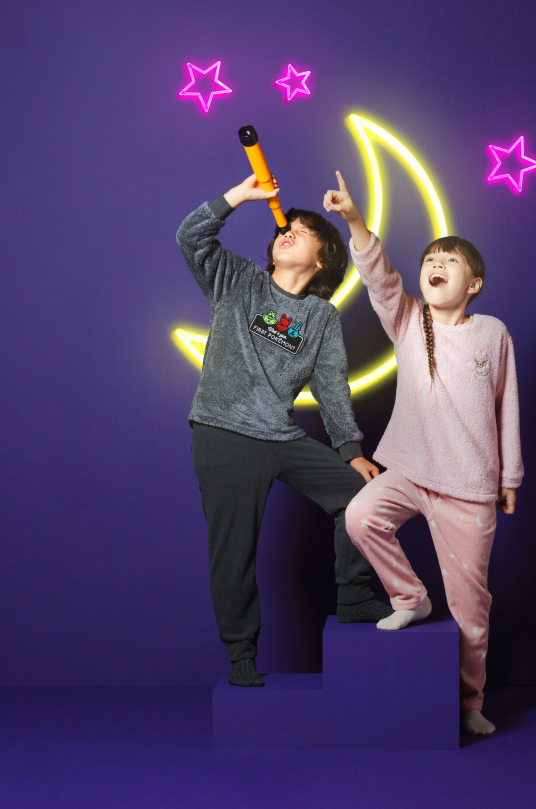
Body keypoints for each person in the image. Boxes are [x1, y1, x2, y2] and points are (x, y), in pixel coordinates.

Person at [324, 171, 524, 735]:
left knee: (470, 606)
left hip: (470, 484)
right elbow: (380, 278)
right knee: (361, 516)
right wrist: (356, 222)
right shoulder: (408, 319)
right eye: (430, 259)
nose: (436, 264)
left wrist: (510, 475)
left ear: (474, 283)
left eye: (449, 261)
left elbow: (508, 405)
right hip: (411, 471)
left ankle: (469, 703)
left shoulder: (493, 333)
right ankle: (410, 596)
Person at [177, 173, 391, 688]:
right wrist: (240, 195)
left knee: (362, 495)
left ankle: (354, 596)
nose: (288, 230)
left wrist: (351, 450)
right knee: (235, 551)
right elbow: (190, 235)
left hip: (280, 435)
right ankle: (241, 656)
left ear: (323, 261)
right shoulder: (238, 280)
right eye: (285, 226)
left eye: (304, 230)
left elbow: (332, 387)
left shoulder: (320, 317)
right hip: (224, 433)